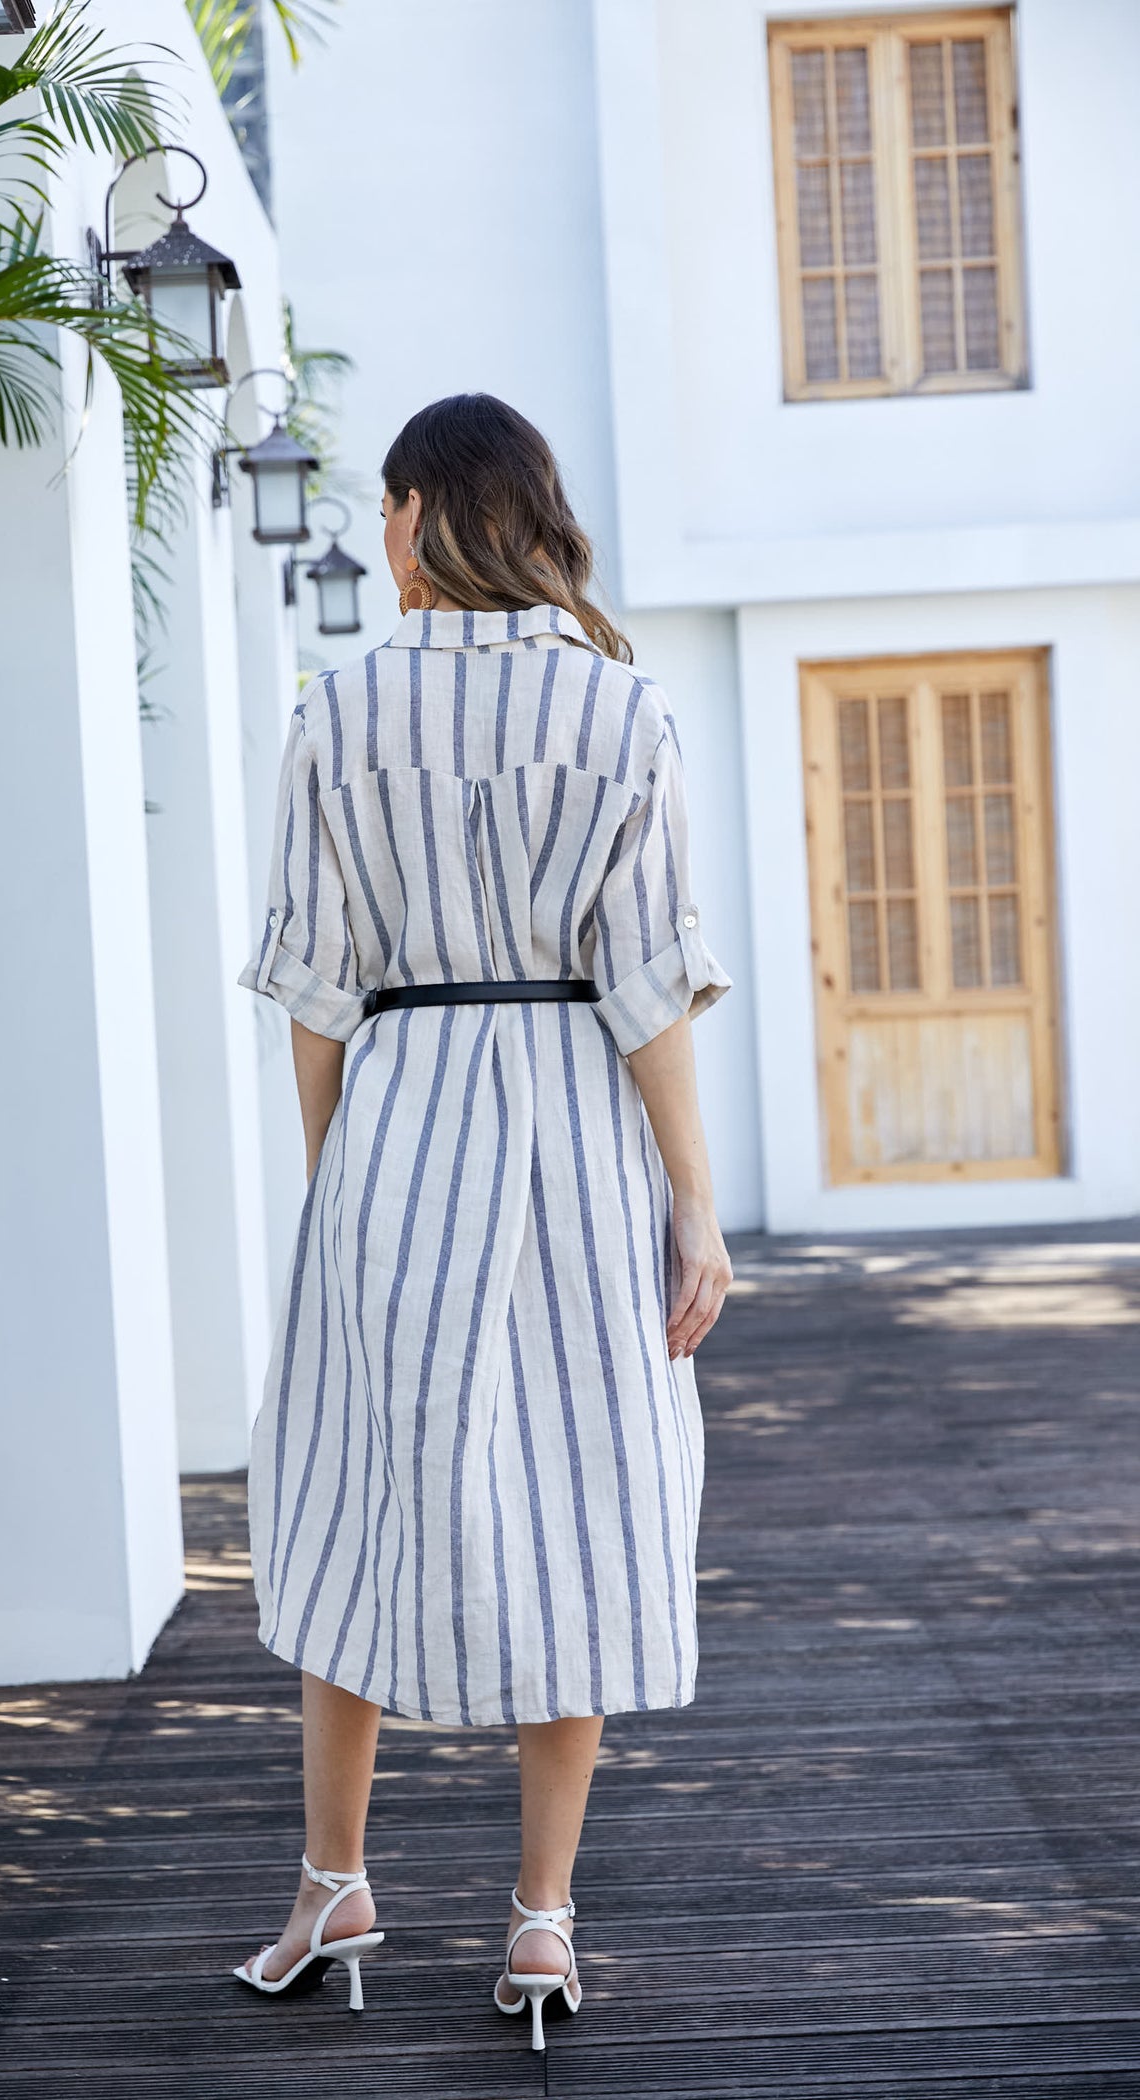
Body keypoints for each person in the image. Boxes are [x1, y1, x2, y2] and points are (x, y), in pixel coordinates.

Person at [232, 393, 733, 2050]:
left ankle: (334, 1884)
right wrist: (695, 1203)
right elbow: (649, 987)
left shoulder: (336, 711)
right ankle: (539, 1919)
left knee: (355, 1493)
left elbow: (317, 992)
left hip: (401, 1121)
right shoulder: (624, 712)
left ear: (432, 513)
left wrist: (338, 1182)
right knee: (582, 1498)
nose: (378, 534)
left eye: (388, 506)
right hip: (582, 1133)